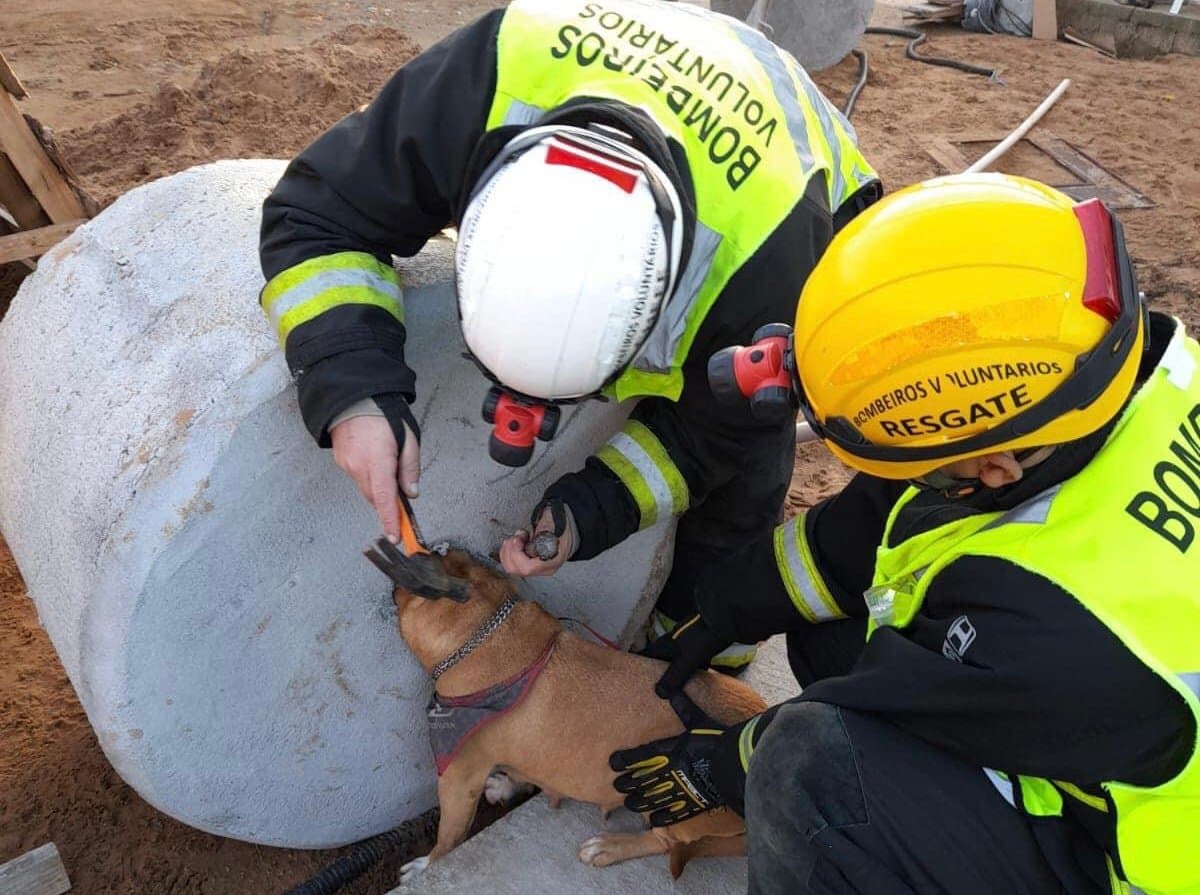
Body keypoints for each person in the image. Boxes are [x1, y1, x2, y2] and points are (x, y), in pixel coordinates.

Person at [611, 174, 1200, 895]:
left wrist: (730, 760)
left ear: (993, 465)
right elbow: (871, 524)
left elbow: (886, 698)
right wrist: (729, 604)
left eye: (922, 469)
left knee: (805, 769)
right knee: (827, 640)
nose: (907, 481)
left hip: (1122, 859)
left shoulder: (1070, 628)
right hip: (1085, 720)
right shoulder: (1101, 364)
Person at [257, 0, 879, 670]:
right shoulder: (478, 87)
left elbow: (717, 437)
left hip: (791, 174)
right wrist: (353, 391)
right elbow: (316, 216)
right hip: (609, 53)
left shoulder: (769, 275)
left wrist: (594, 506)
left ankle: (701, 656)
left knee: (744, 477)